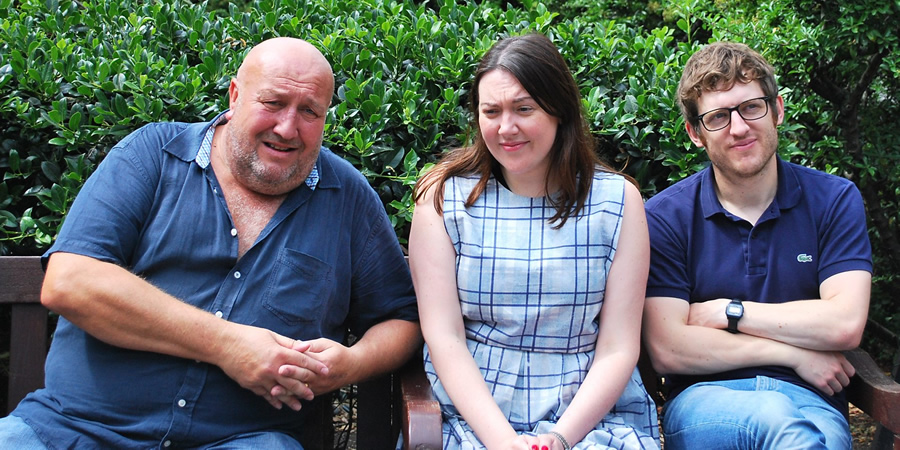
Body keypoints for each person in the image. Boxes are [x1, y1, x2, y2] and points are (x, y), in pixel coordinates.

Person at [0, 37, 420, 448]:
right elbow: (70, 282)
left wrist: (350, 365)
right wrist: (229, 345)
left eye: (309, 111)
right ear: (235, 95)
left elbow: (400, 318)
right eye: (272, 103)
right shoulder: (153, 155)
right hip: (73, 429)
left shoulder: (346, 197)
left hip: (245, 439)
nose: (287, 127)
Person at [408, 33, 660, 450]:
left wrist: (558, 439)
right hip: (473, 418)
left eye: (524, 109)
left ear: (559, 111)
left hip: (589, 416)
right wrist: (505, 443)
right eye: (491, 111)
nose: (506, 128)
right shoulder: (442, 197)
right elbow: (445, 338)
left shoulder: (617, 202)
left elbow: (618, 346)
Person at [642, 41, 872, 449]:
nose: (739, 127)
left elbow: (845, 323)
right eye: (717, 117)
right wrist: (794, 354)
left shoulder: (834, 200)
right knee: (777, 420)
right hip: (704, 403)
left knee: (811, 435)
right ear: (695, 133)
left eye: (751, 107)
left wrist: (729, 312)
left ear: (777, 109)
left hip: (813, 401)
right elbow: (669, 349)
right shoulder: (665, 217)